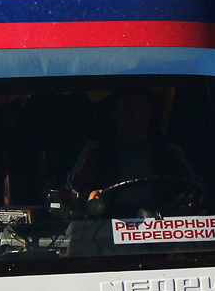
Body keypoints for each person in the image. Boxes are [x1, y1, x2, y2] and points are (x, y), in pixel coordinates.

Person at [66, 87, 202, 215]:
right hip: (107, 224)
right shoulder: (95, 151)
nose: (134, 115)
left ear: (150, 113)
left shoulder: (170, 151)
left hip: (162, 225)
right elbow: (71, 190)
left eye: (140, 108)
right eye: (127, 108)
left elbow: (198, 189)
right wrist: (89, 197)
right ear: (114, 113)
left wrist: (186, 202)